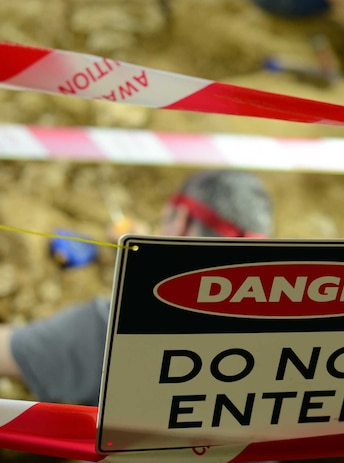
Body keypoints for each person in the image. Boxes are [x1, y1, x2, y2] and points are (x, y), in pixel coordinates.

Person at [0, 169, 273, 407]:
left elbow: (7, 352)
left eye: (162, 219)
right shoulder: (283, 338)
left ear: (180, 219)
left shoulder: (117, 327)